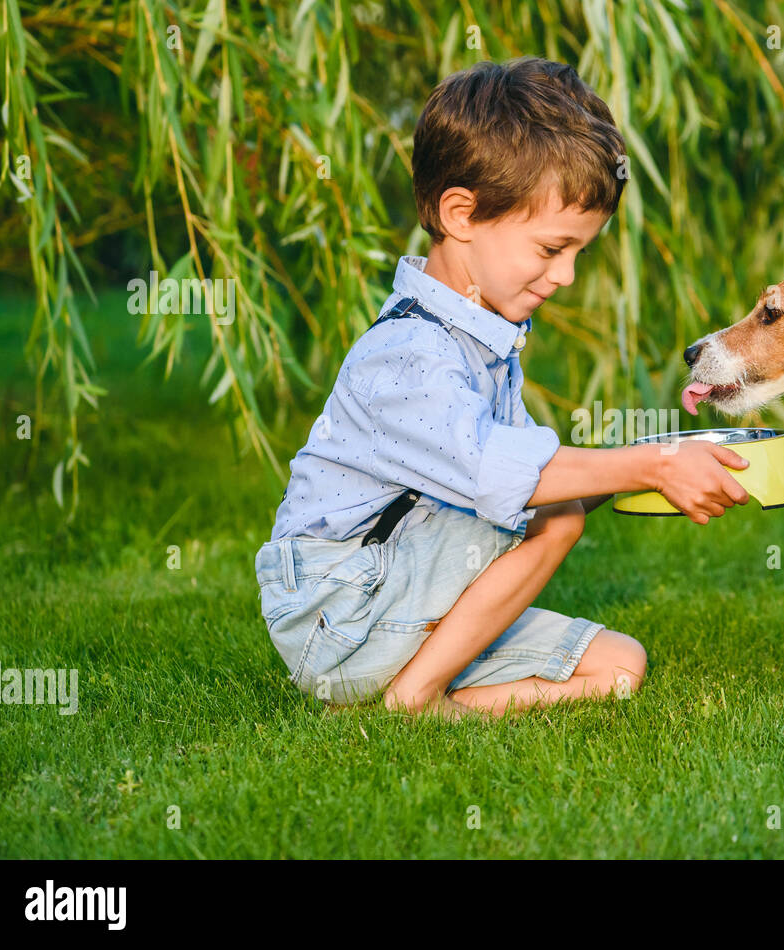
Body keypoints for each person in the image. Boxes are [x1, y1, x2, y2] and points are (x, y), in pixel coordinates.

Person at [254, 57, 749, 720]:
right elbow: (506, 479)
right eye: (552, 249)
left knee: (619, 666)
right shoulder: (410, 354)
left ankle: (423, 691)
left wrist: (659, 463)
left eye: (580, 253)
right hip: (339, 607)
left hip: (398, 594)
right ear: (462, 214)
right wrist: (649, 465)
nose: (567, 276)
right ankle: (415, 695)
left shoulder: (482, 337)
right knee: (557, 517)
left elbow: (523, 478)